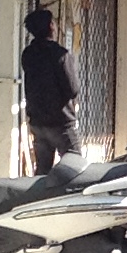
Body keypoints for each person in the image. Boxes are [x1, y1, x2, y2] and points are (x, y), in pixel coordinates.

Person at [21, 9, 79, 173]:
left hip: (37, 121)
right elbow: (73, 89)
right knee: (76, 169)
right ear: (51, 26)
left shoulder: (28, 54)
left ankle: (39, 191)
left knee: (42, 170)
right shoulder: (60, 54)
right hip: (61, 122)